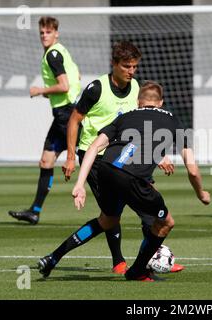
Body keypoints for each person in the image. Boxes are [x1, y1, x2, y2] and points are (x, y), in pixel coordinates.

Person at [38, 81, 210, 281]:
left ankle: (53, 257)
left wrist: (80, 184)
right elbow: (193, 169)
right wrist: (201, 193)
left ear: (138, 102)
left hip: (106, 170)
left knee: (107, 220)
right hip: (132, 178)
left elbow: (93, 148)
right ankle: (137, 271)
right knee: (165, 222)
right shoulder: (173, 120)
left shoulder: (126, 116)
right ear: (161, 103)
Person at [61, 41, 184, 274]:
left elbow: (141, 128)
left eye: (135, 67)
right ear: (114, 64)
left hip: (124, 156)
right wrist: (69, 157)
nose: (131, 71)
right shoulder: (96, 88)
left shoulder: (136, 86)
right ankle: (121, 261)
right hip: (95, 156)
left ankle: (153, 256)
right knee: (111, 214)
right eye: (127, 66)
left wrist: (156, 155)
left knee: (143, 206)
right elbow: (74, 120)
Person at [9, 16, 81, 225]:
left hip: (66, 115)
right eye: (41, 32)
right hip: (62, 113)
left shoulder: (53, 55)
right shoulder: (61, 51)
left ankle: (120, 200)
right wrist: (52, 94)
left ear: (56, 33)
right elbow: (76, 77)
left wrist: (40, 90)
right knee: (46, 161)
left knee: (90, 159)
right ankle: (35, 211)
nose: (44, 36)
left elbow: (65, 85)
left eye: (48, 32)